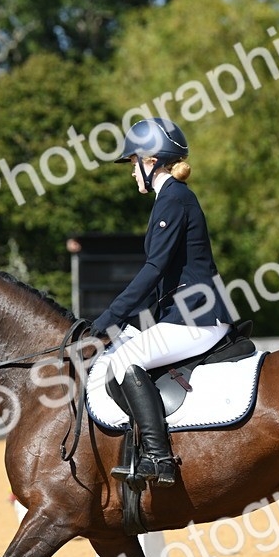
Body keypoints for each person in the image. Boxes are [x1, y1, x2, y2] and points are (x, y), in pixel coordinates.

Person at [91, 118, 231, 487]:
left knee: (124, 359)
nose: (131, 173)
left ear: (149, 161)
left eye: (132, 163)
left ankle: (158, 457)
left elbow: (153, 270)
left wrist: (108, 319)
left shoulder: (174, 199)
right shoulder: (170, 199)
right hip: (180, 313)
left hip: (197, 317)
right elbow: (162, 278)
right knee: (124, 350)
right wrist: (131, 324)